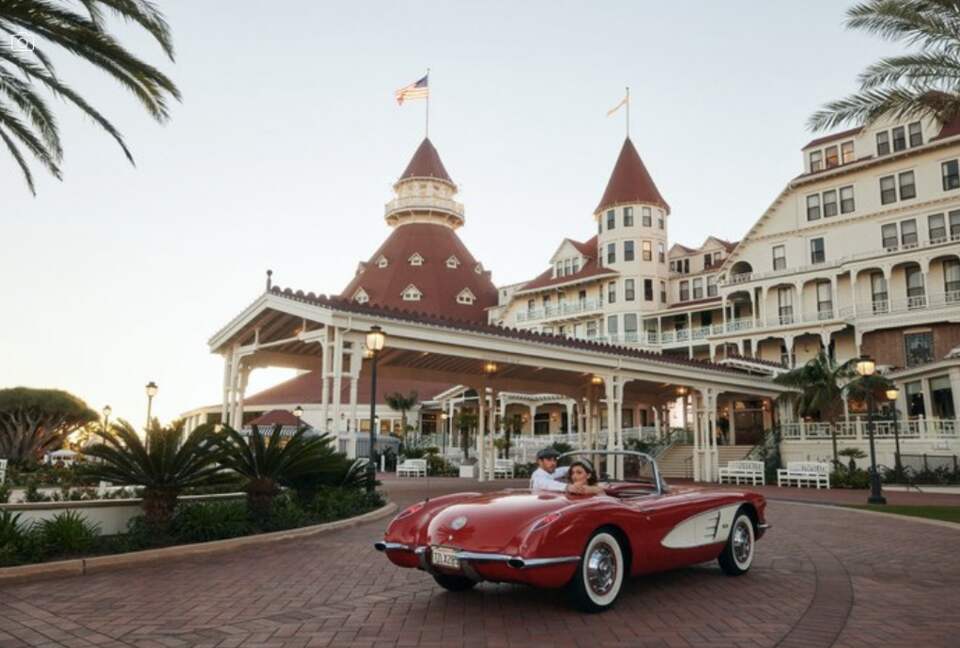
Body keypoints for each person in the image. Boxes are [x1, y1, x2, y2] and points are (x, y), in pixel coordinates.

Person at [530, 448, 604, 495]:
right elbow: (547, 484)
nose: (553, 463)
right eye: (549, 460)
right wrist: (569, 487)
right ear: (540, 462)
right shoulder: (538, 477)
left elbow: (563, 470)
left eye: (555, 460)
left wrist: (581, 466)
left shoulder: (550, 472)